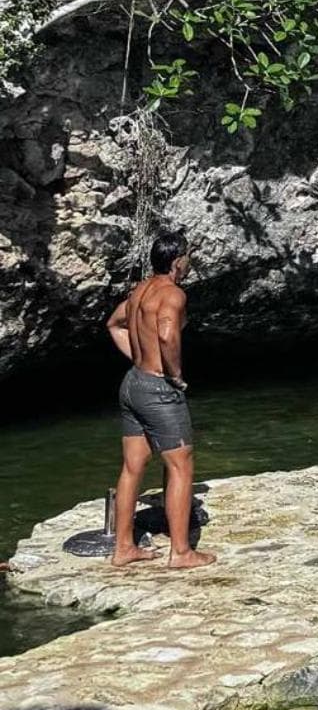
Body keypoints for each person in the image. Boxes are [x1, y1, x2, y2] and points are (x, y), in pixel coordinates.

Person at [105, 230, 215, 569]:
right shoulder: (173, 294)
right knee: (181, 467)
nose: (190, 262)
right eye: (188, 256)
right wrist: (174, 375)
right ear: (177, 261)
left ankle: (124, 548)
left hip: (133, 383)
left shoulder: (140, 290)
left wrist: (139, 358)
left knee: (132, 466)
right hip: (158, 390)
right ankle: (181, 553)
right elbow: (167, 335)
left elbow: (114, 324)